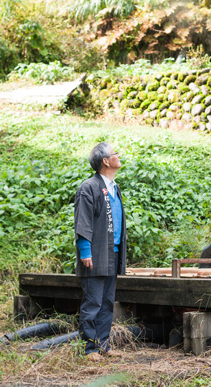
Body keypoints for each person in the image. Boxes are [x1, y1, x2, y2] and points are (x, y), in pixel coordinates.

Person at [74, 142, 127, 360]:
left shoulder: (114, 187)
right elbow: (83, 221)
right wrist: (85, 251)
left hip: (111, 252)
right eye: (115, 153)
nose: (118, 155)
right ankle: (89, 349)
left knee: (107, 301)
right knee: (93, 301)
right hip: (94, 254)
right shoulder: (89, 187)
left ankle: (103, 345)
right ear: (106, 161)